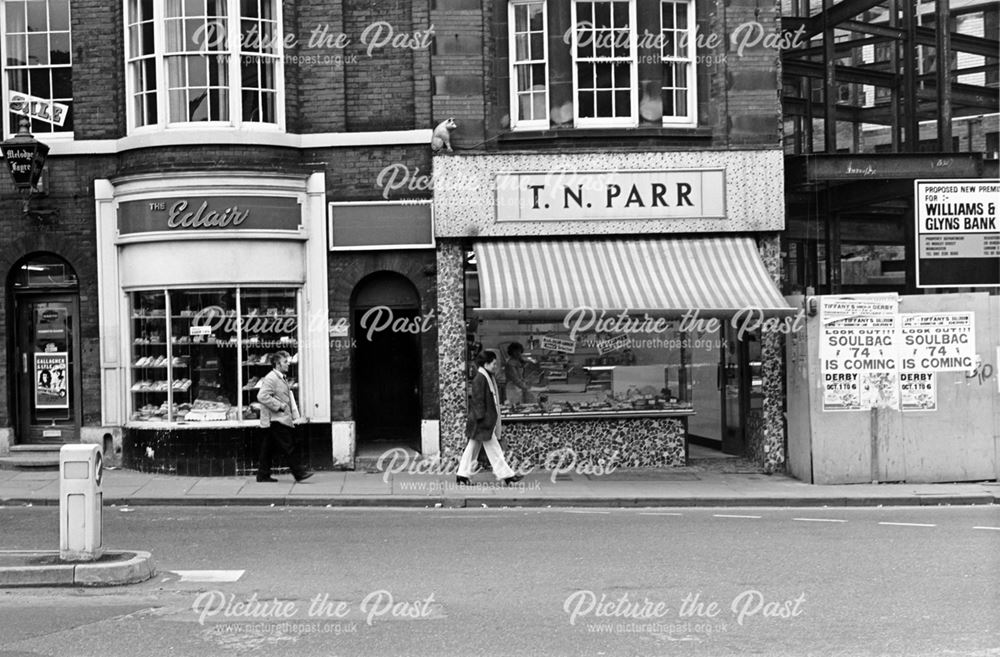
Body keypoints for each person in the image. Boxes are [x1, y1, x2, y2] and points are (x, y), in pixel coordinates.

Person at [457, 351, 523, 486]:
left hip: (481, 420)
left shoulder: (485, 376)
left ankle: (462, 475)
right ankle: (507, 476)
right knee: (494, 449)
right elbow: (478, 400)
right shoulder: (481, 378)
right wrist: (484, 419)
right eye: (493, 363)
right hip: (483, 421)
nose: (495, 366)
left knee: (472, 448)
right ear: (486, 363)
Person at [256, 350, 313, 483]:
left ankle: (262, 475)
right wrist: (279, 405)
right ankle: (299, 473)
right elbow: (261, 396)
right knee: (288, 447)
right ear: (277, 364)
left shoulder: (280, 377)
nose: (288, 364)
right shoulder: (271, 378)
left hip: (276, 419)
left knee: (267, 449)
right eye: (285, 362)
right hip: (276, 419)